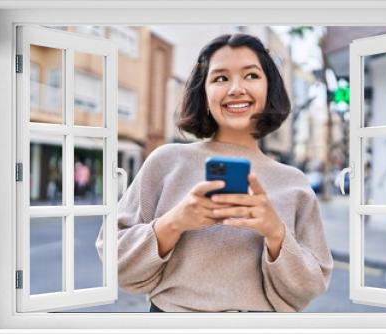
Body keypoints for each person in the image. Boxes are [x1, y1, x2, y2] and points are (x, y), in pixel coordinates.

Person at [96, 33, 333, 313]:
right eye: (220, 78)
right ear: (204, 92)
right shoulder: (166, 161)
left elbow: (311, 285)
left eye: (251, 76)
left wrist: (275, 233)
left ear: (270, 87)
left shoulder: (294, 182)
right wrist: (175, 222)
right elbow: (114, 258)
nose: (236, 89)